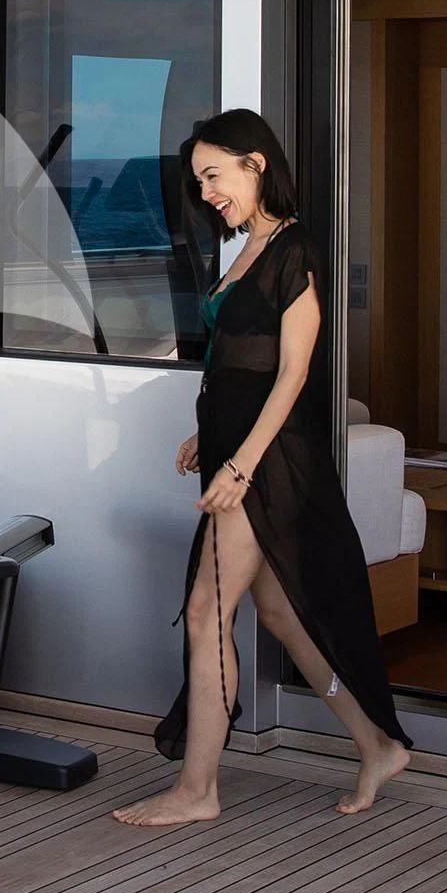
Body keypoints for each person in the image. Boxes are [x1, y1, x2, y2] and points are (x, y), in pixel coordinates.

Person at [117, 108, 413, 825]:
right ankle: (377, 744)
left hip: (269, 461)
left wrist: (242, 466)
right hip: (235, 448)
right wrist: (205, 431)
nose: (206, 193)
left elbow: (292, 375)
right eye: (198, 182)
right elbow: (237, 362)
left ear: (256, 164)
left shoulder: (294, 248)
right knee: (277, 610)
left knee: (205, 611)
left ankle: (197, 790)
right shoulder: (248, 247)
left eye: (213, 176)